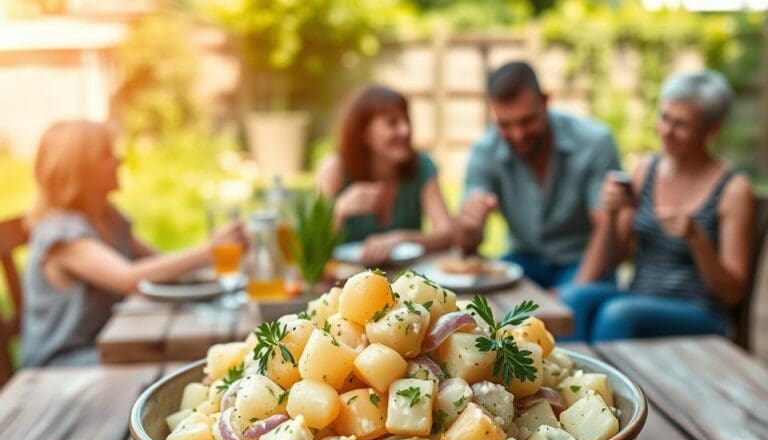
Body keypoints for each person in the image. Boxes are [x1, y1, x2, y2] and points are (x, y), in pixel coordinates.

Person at [21, 120, 246, 367]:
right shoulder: (62, 234)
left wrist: (227, 264)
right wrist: (211, 250)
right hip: (63, 364)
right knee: (191, 365)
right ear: (78, 170)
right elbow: (128, 278)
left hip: (106, 348)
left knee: (201, 361)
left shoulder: (108, 217)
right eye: (107, 154)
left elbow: (158, 263)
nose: (120, 160)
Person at [559, 70, 754, 341]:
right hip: (638, 297)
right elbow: (615, 258)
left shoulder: (733, 189)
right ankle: (568, 380)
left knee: (619, 314)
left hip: (700, 313)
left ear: (712, 129)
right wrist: (612, 215)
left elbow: (732, 293)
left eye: (682, 125)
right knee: (572, 298)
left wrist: (696, 238)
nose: (667, 132)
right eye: (664, 118)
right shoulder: (644, 171)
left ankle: (600, 383)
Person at [456, 61, 622, 288]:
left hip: (582, 260)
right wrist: (469, 226)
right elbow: (466, 248)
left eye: (527, 121)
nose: (518, 134)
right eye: (505, 125)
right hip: (524, 260)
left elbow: (606, 228)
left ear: (545, 101)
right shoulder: (485, 152)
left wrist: (569, 295)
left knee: (578, 302)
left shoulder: (595, 142)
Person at [316, 85, 453, 264]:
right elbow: (313, 248)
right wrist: (339, 210)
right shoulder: (334, 169)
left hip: (405, 281)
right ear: (364, 133)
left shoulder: (422, 166)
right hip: (348, 283)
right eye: (392, 123)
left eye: (407, 121)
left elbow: (447, 234)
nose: (405, 131)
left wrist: (401, 238)